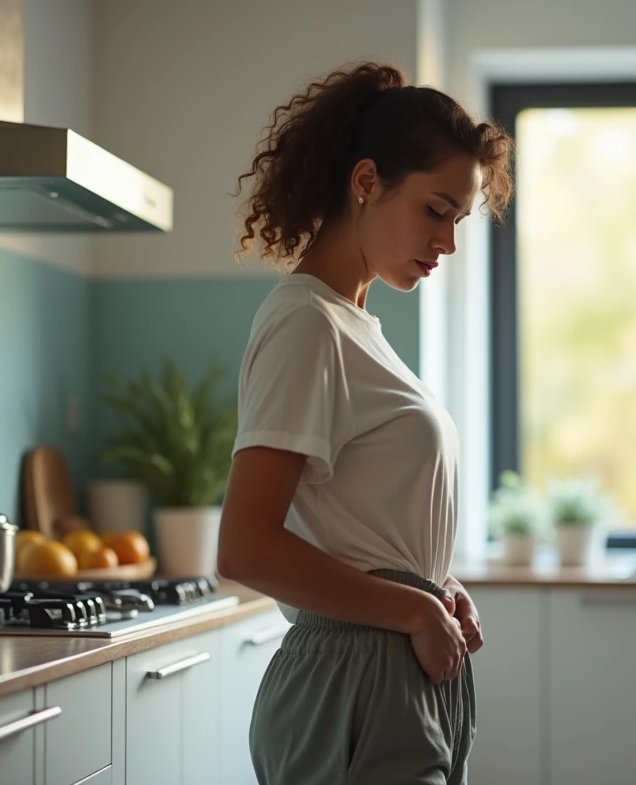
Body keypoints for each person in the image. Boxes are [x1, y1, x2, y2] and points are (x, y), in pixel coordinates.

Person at [217, 59, 514, 785]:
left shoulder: (353, 326)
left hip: (387, 667)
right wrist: (411, 610)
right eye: (435, 210)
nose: (446, 242)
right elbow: (246, 548)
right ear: (366, 182)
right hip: (357, 674)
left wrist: (430, 589)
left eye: (458, 220)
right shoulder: (305, 325)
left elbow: (359, 526)